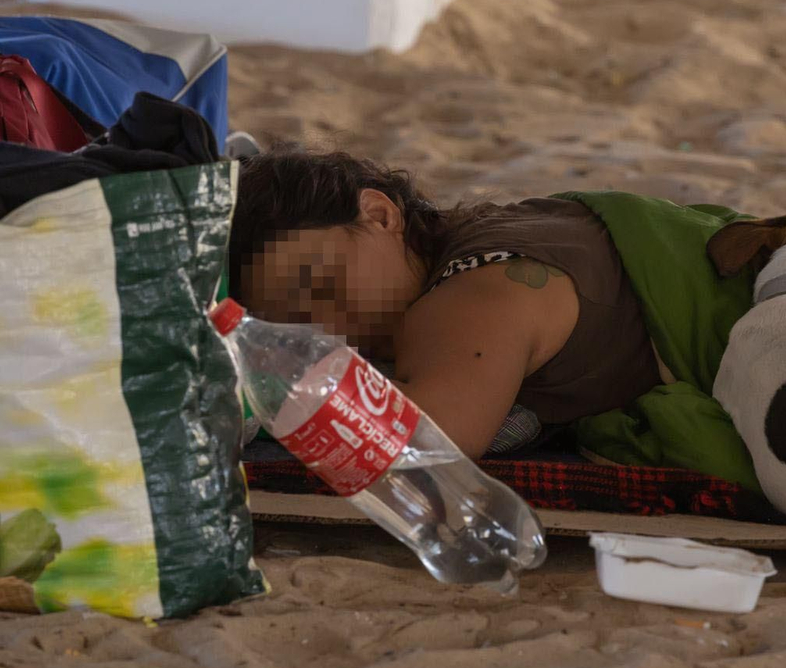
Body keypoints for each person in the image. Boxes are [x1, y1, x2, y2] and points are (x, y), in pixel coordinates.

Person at [229, 145, 666, 458]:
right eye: (297, 327)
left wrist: (259, 386)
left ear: (380, 214)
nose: (326, 328)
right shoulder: (469, 240)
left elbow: (430, 439)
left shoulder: (472, 295)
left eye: (322, 282)